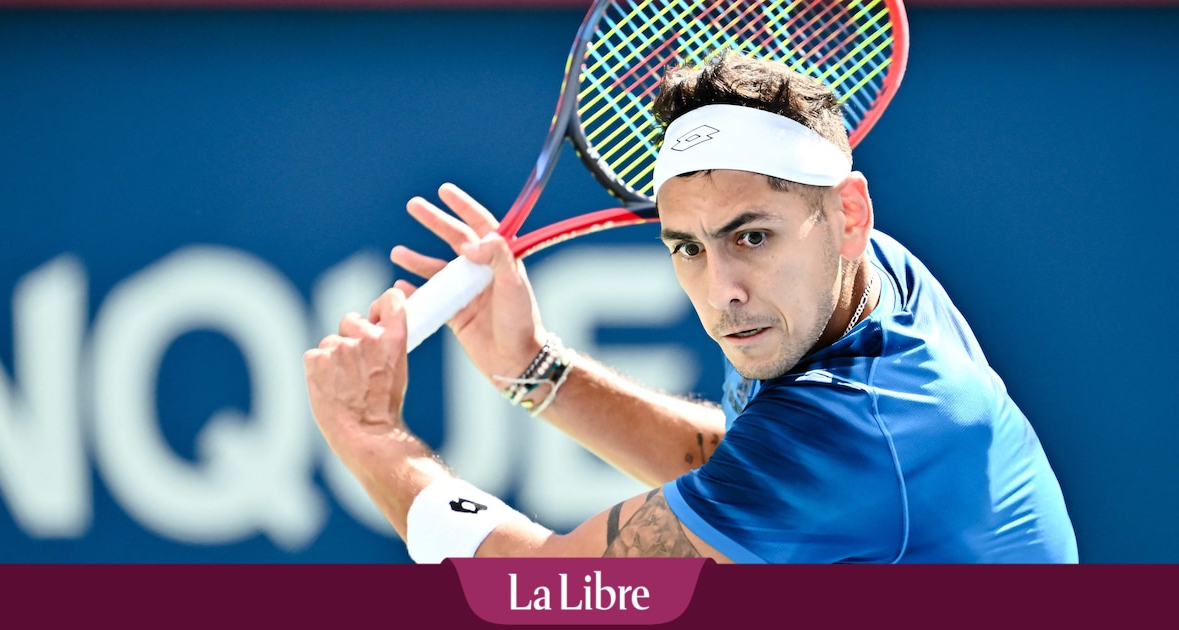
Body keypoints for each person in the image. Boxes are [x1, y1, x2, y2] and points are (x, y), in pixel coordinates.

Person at [304, 50, 1078, 563]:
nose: (721, 291)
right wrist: (533, 367)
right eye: (688, 248)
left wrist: (368, 439)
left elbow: (540, 586)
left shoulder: (861, 428)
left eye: (750, 237)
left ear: (848, 214)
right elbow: (750, 464)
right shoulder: (866, 284)